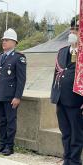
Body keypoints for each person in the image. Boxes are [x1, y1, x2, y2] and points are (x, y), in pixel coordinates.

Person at [51, 18, 83, 165]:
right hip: (61, 99)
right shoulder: (62, 52)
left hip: (76, 101)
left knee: (77, 134)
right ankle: (67, 158)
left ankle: (75, 161)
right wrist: (54, 96)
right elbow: (56, 75)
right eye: (71, 30)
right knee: (65, 132)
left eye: (76, 30)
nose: (72, 32)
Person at [0, 28, 26, 156]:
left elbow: (21, 80)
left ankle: (9, 146)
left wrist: (17, 96)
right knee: (1, 121)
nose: (3, 42)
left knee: (10, 122)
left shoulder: (19, 58)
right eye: (3, 40)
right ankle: (2, 144)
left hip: (10, 96)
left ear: (14, 42)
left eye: (6, 40)